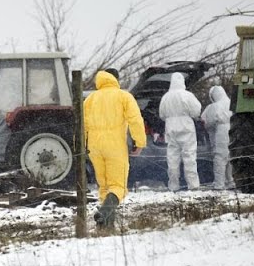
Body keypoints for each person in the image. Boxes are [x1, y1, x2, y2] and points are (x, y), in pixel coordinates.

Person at [84, 68, 146, 229]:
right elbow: (135, 120)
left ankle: (106, 226)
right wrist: (139, 142)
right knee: (118, 186)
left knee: (104, 186)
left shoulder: (90, 99)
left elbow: (82, 125)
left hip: (94, 147)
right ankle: (104, 213)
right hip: (115, 146)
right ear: (116, 79)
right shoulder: (123, 96)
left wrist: (82, 146)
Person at [158, 72, 201, 191]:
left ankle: (173, 185)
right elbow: (196, 111)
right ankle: (193, 185)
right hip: (186, 126)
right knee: (189, 156)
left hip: (170, 127)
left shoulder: (166, 97)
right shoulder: (187, 95)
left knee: (172, 158)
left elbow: (162, 114)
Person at [201, 85, 235, 190]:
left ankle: (219, 183)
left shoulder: (214, 106)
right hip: (233, 129)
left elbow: (208, 123)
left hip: (221, 131)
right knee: (229, 157)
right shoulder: (232, 103)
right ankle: (230, 181)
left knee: (219, 157)